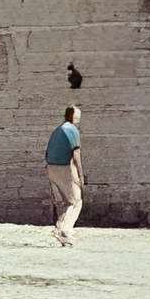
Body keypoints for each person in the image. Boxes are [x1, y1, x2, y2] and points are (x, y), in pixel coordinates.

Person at [45, 105, 82, 247]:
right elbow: (76, 155)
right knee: (76, 201)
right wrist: (80, 174)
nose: (79, 118)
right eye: (77, 115)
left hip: (51, 167)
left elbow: (47, 153)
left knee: (65, 202)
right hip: (63, 168)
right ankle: (65, 230)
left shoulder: (58, 130)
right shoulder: (73, 130)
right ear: (71, 116)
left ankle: (60, 229)